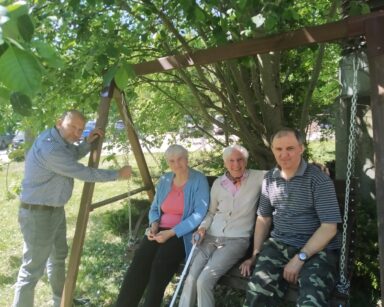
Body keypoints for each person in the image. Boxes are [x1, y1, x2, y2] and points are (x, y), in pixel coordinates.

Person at [13, 110, 132, 307]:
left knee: (58, 258)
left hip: (54, 211)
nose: (76, 134)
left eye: (80, 129)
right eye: (72, 127)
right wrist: (117, 174)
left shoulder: (58, 141)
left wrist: (87, 142)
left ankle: (62, 301)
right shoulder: (50, 148)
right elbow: (83, 172)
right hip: (37, 214)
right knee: (32, 270)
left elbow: (72, 154)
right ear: (59, 122)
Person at [243, 127, 341, 307]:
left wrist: (300, 258)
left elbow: (329, 227)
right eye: (278, 149)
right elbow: (263, 218)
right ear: (272, 150)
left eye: (290, 148)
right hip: (279, 244)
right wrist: (256, 253)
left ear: (301, 148)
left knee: (311, 301)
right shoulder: (270, 179)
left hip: (318, 249)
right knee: (257, 295)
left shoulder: (318, 180)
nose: (284, 154)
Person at [115, 144, 210, 307]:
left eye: (180, 159)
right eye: (172, 161)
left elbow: (199, 214)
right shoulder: (165, 179)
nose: (176, 164)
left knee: (160, 264)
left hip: (182, 233)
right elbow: (154, 208)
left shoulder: (198, 180)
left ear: (187, 159)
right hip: (159, 230)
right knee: (140, 261)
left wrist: (171, 232)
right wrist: (154, 224)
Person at [178, 145, 265, 307]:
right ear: (225, 163)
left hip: (236, 240)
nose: (236, 164)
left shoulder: (258, 177)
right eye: (231, 161)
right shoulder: (219, 183)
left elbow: (285, 172)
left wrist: (315, 168)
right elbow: (211, 212)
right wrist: (202, 228)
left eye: (240, 160)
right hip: (210, 236)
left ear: (246, 161)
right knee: (191, 277)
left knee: (204, 280)